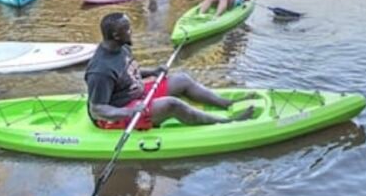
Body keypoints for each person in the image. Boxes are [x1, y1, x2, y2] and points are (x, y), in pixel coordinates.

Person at [86, 13, 255, 130]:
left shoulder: (122, 47)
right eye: (128, 29)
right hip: (117, 114)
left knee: (182, 79)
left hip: (135, 94)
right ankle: (226, 122)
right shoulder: (100, 71)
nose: (132, 31)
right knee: (172, 104)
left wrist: (152, 71)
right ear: (116, 35)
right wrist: (128, 112)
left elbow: (127, 72)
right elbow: (97, 109)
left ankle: (225, 103)